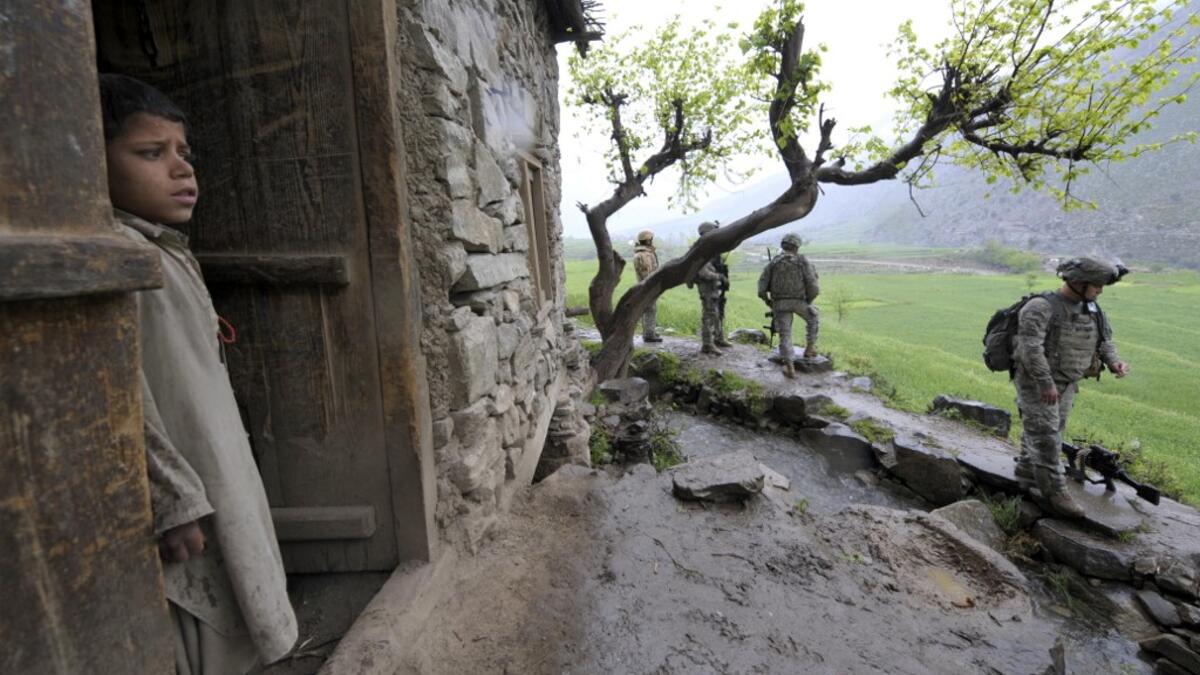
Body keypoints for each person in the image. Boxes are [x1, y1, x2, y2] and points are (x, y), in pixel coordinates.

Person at [100, 73, 297, 674]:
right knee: (192, 627)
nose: (182, 170)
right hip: (181, 496)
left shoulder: (162, 249)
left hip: (213, 466)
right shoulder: (113, 260)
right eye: (150, 153)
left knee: (236, 603)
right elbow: (117, 394)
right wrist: (172, 498)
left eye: (183, 153)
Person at [1012, 257, 1130, 518]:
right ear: (1078, 282)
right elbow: (1029, 348)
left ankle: (1026, 470)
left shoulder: (1093, 309)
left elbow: (1104, 340)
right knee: (1047, 436)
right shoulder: (1040, 307)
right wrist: (1045, 382)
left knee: (1052, 429)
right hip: (1037, 382)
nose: (1100, 290)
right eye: (1097, 285)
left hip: (1067, 382)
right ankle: (1055, 492)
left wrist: (1115, 363)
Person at [758, 233, 820, 378]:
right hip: (799, 301)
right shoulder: (803, 262)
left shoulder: (773, 263)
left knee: (785, 334)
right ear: (797, 247)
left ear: (783, 246)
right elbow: (813, 286)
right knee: (813, 318)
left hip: (779, 304)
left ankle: (789, 366)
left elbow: (761, 289)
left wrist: (769, 302)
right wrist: (809, 301)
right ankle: (810, 348)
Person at [694, 221, 728, 354]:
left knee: (717, 313)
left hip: (713, 287)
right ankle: (707, 344)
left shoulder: (710, 249)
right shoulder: (701, 250)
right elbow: (703, 273)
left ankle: (718, 338)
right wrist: (719, 277)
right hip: (707, 287)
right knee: (709, 315)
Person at [632, 230, 663, 343]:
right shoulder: (644, 255)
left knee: (648, 309)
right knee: (650, 309)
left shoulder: (641, 253)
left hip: (645, 285)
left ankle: (649, 332)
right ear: (648, 240)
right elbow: (647, 273)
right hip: (648, 285)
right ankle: (649, 335)